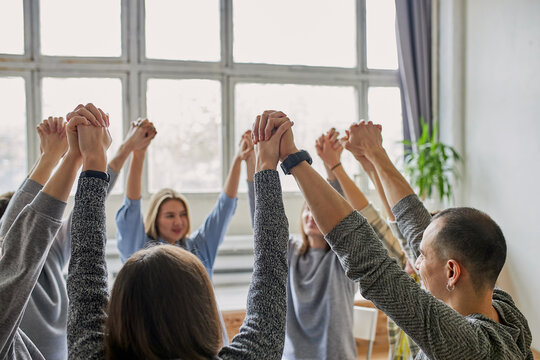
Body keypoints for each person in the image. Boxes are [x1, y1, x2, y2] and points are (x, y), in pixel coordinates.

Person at [254, 114, 533, 360]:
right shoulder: (505, 312)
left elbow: (372, 265)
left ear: (451, 271)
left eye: (422, 257)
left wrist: (293, 158)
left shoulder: (467, 346)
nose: (415, 262)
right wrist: (375, 153)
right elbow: (417, 226)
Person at [67, 110, 292, 359]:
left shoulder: (196, 246)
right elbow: (271, 265)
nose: (178, 221)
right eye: (169, 215)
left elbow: (84, 267)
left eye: (181, 214)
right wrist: (266, 165)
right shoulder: (140, 242)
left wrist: (92, 159)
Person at [265, 127, 406, 360]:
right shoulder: (290, 250)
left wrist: (333, 168)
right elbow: (264, 222)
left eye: (316, 212)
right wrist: (259, 167)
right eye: (307, 211)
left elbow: (341, 213)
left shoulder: (341, 259)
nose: (312, 216)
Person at [0, 104, 109, 359]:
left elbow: (16, 239)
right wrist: (80, 157)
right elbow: (16, 243)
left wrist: (55, 158)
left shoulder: (46, 253)